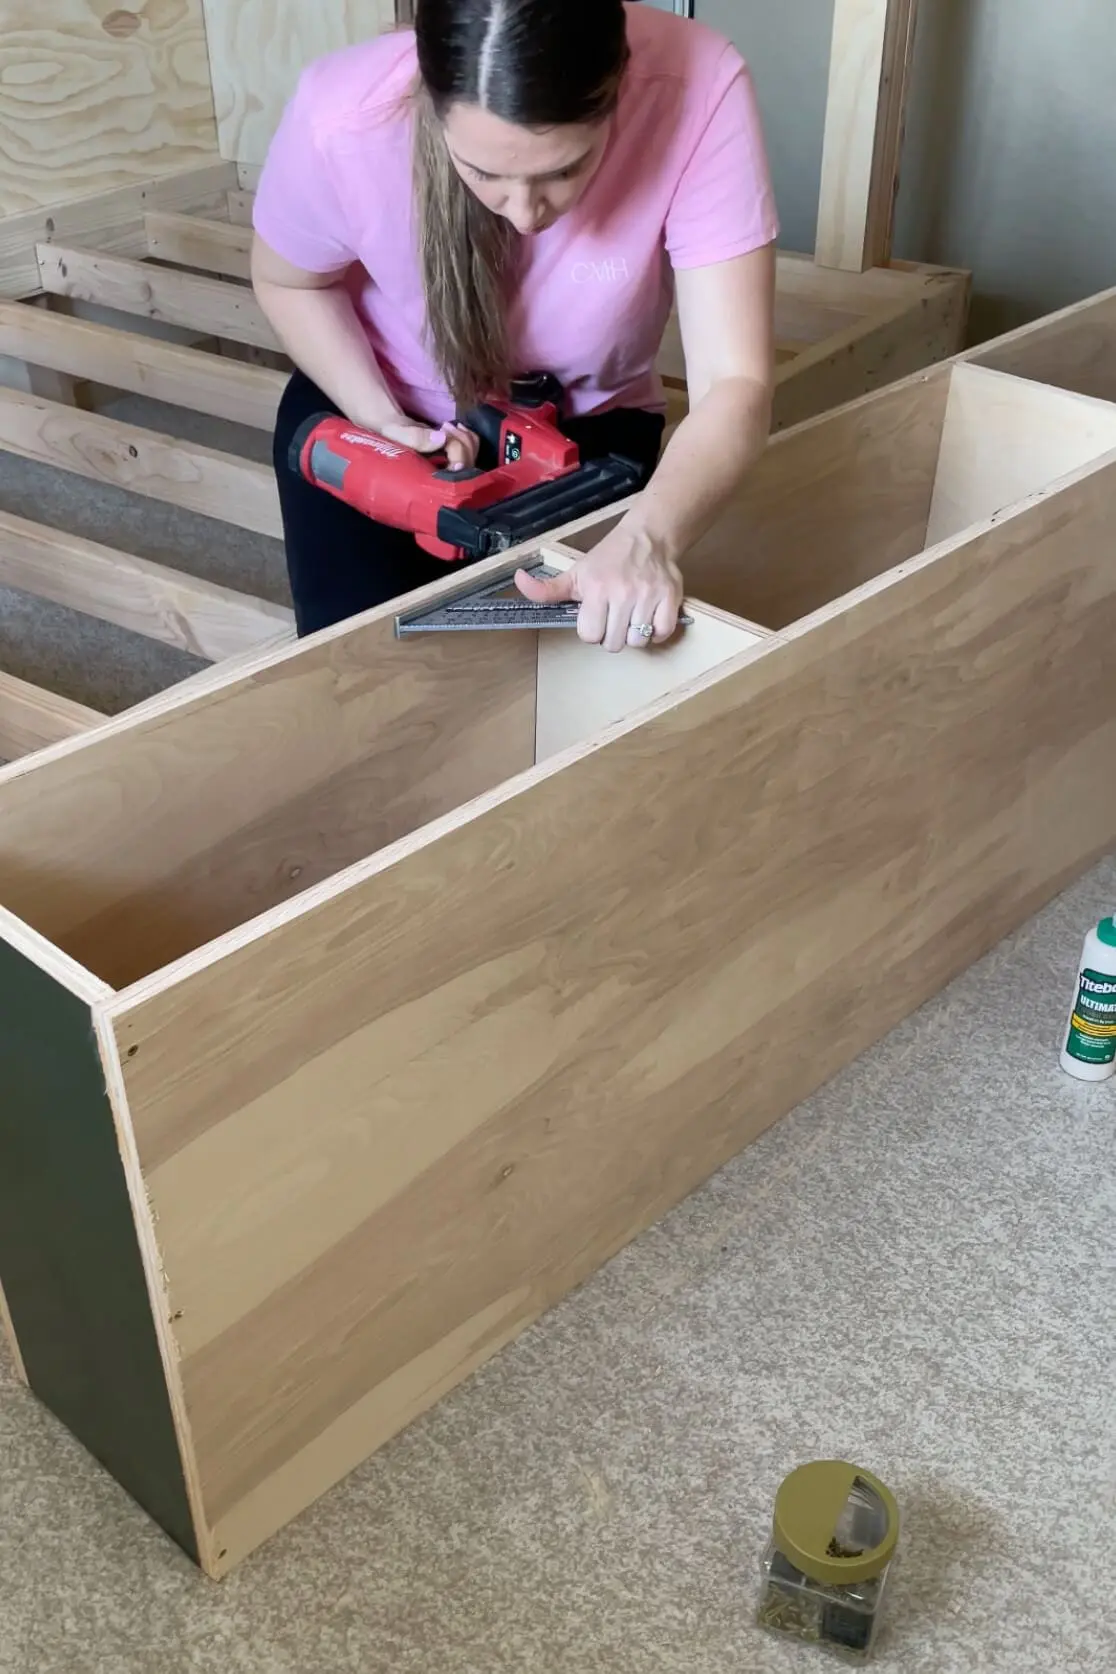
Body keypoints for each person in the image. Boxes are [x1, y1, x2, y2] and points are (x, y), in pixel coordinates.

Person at [251, 0, 778, 651]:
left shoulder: (698, 85)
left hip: (587, 437)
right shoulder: (342, 114)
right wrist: (379, 418)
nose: (526, 214)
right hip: (377, 414)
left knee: (576, 679)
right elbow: (290, 281)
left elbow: (734, 381)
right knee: (362, 681)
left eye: (565, 169)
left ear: (617, 89)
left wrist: (648, 538)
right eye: (484, 172)